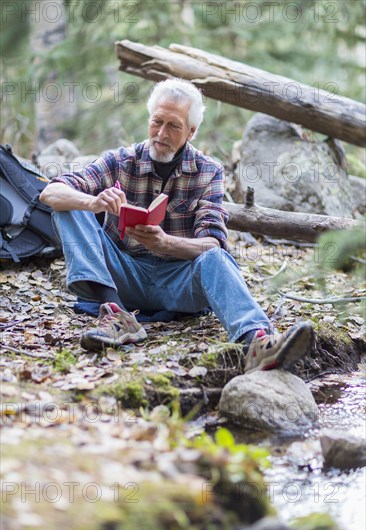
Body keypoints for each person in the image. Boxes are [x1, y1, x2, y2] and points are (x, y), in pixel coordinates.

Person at [40, 78, 313, 371]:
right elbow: (49, 192)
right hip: (124, 274)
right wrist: (92, 203)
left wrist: (164, 243)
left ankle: (257, 343)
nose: (161, 133)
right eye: (157, 122)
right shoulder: (121, 160)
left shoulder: (208, 171)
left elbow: (213, 244)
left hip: (179, 284)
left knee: (216, 257)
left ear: (191, 132)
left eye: (173, 126)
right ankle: (117, 315)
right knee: (68, 209)